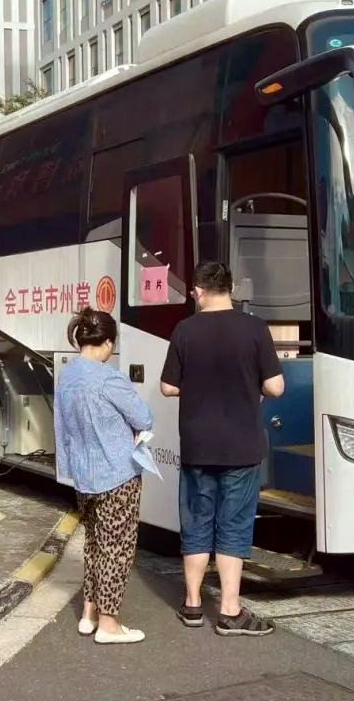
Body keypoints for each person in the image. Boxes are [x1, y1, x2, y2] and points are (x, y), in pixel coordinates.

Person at [160, 260, 285, 637]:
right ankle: (230, 611)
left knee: (197, 521)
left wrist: (196, 386)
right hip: (241, 447)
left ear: (199, 291)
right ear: (229, 288)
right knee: (234, 524)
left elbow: (168, 387)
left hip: (198, 445)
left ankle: (193, 604)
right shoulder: (254, 328)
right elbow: (275, 387)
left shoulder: (184, 330)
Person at [55, 308, 158, 644]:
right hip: (117, 473)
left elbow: (62, 428)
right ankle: (109, 624)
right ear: (109, 342)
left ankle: (89, 613)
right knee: (117, 547)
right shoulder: (108, 378)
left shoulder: (68, 375)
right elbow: (143, 418)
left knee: (95, 543)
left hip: (84, 476)